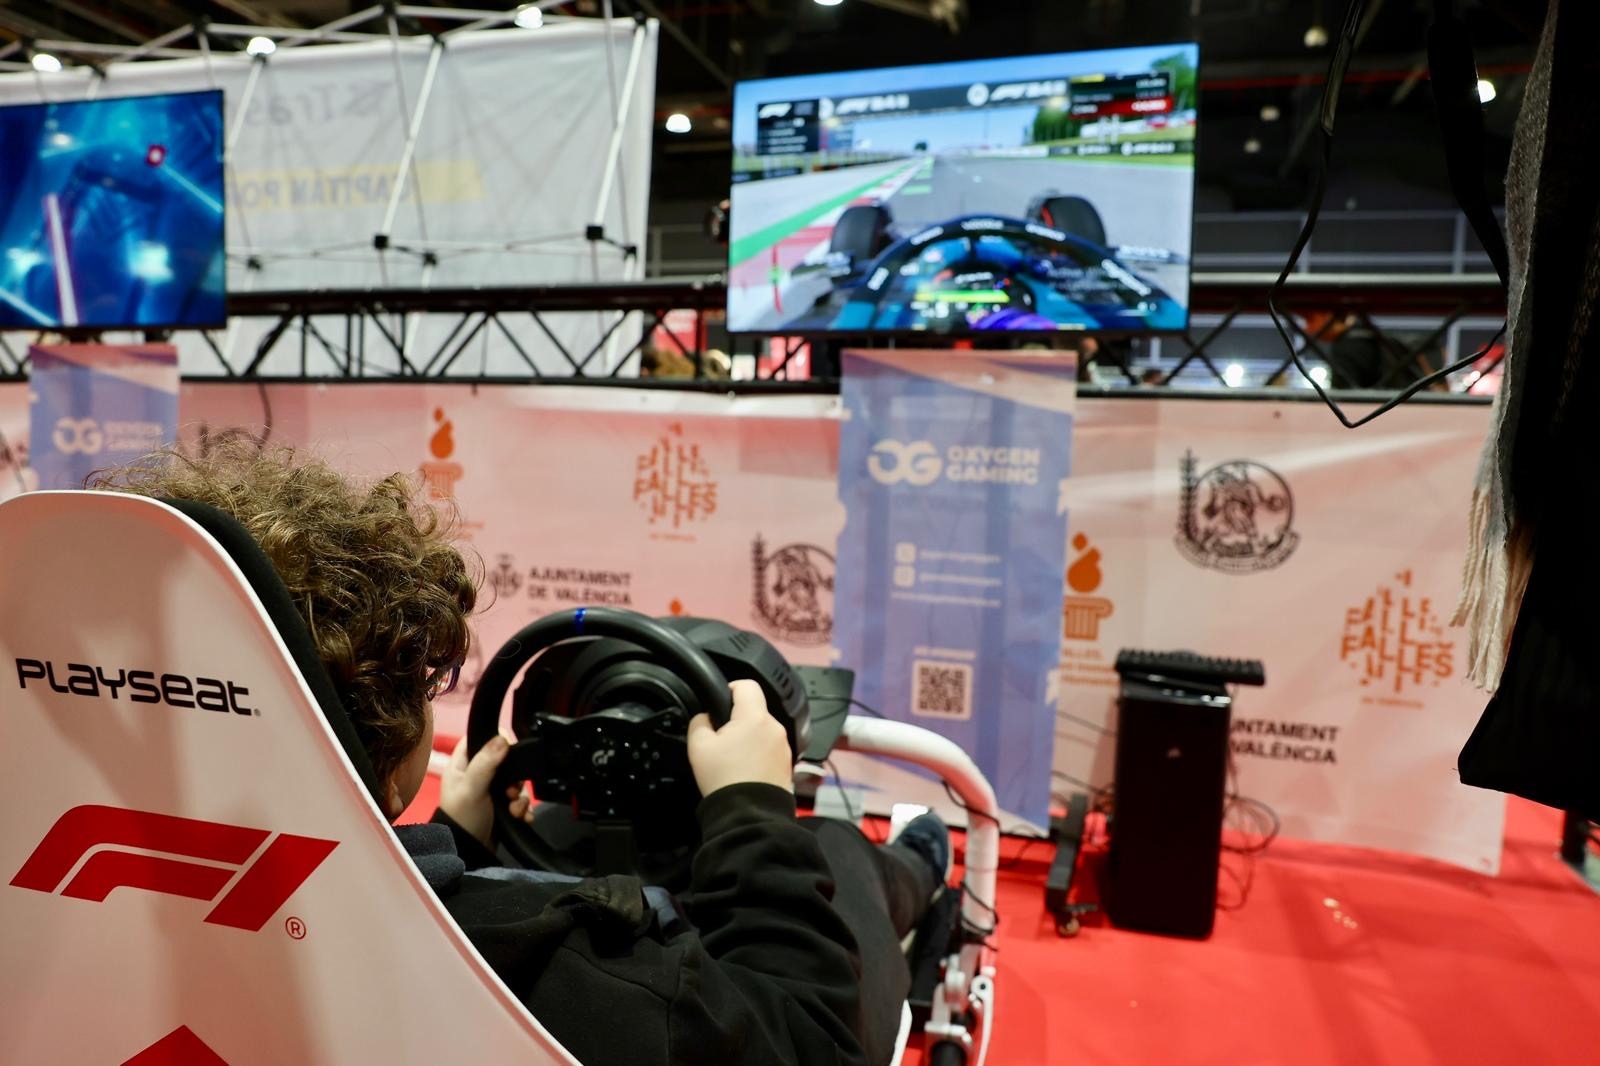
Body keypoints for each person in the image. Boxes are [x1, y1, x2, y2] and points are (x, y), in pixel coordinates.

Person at [91, 443, 949, 1066]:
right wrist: (753, 811)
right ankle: (924, 854)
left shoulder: (88, 913)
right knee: (839, 852)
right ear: (394, 749)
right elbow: (806, 1040)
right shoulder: (559, 973)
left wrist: (456, 847)